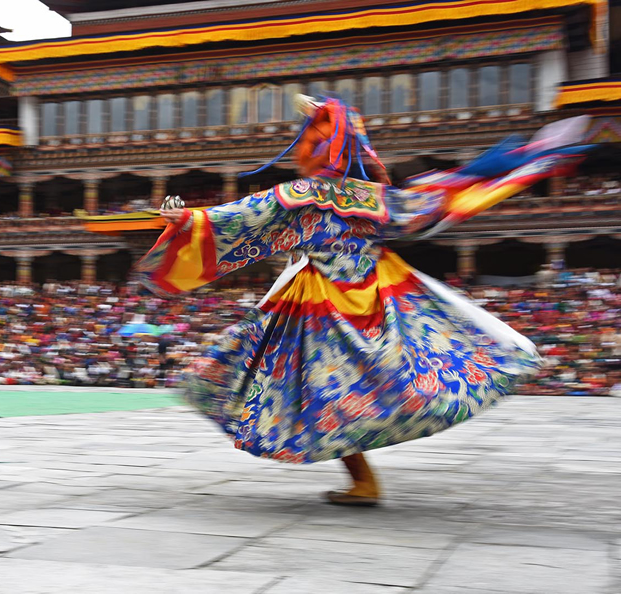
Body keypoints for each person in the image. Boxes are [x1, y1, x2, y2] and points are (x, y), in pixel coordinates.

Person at [134, 93, 590, 506]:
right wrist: (510, 168)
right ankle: (366, 475)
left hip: (318, 308)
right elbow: (434, 202)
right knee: (348, 387)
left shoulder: (302, 193)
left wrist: (188, 218)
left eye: (305, 139)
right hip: (380, 300)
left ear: (319, 147)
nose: (297, 149)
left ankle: (361, 478)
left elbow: (241, 217)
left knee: (297, 384)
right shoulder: (377, 198)